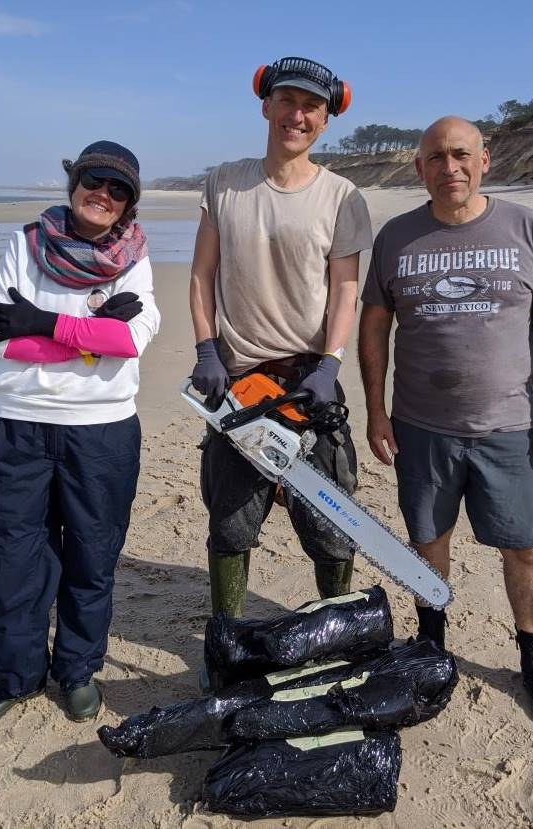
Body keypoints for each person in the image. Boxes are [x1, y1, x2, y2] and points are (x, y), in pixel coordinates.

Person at [358, 116, 533, 732]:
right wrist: (376, 408)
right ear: (418, 166)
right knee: (427, 545)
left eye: (461, 155)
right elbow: (375, 324)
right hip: (421, 426)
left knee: (527, 550)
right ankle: (431, 646)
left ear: (485, 158)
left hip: (508, 427)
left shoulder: (525, 227)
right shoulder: (398, 237)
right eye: (435, 157)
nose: (449, 167)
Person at [0, 141, 160, 726]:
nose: (103, 194)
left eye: (118, 190)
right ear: (73, 182)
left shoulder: (136, 259)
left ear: (129, 205)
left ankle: (77, 672)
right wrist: (89, 331)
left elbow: (127, 341)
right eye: (93, 180)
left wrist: (44, 322)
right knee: (8, 558)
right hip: (16, 426)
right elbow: (7, 337)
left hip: (101, 432)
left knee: (92, 557)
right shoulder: (24, 244)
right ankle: (15, 677)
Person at [189, 57, 372, 628]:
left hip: (309, 382)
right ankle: (225, 634)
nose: (297, 115)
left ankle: (335, 627)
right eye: (287, 101)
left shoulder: (343, 196)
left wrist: (329, 364)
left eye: (311, 106)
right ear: (266, 104)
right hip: (238, 380)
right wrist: (206, 349)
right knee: (231, 520)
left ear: (327, 117)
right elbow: (201, 276)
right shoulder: (225, 182)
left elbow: (346, 290)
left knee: (330, 523)